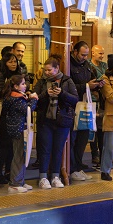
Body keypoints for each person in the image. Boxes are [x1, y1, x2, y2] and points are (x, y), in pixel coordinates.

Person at [33, 57, 78, 189]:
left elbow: (75, 99)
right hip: (45, 120)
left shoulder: (67, 81)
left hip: (62, 120)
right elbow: (35, 99)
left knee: (58, 149)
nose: (47, 73)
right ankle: (43, 177)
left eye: (49, 70)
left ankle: (55, 176)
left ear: (57, 68)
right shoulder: (41, 81)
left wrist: (62, 93)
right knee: (45, 149)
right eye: (45, 70)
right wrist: (46, 94)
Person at [69, 41, 101, 182]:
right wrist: (86, 86)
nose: (84, 57)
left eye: (86, 55)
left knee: (83, 138)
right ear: (75, 52)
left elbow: (91, 80)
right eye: (82, 55)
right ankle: (72, 168)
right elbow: (68, 87)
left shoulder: (87, 65)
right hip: (73, 106)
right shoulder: (68, 65)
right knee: (73, 140)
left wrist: (97, 85)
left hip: (85, 104)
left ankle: (78, 166)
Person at [1, 74, 38, 193]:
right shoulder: (16, 98)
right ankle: (15, 183)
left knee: (21, 155)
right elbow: (28, 109)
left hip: (16, 128)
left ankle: (20, 181)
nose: (25, 85)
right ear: (16, 86)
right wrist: (34, 99)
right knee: (19, 156)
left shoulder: (12, 96)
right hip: (19, 129)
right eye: (22, 84)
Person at [0, 52, 22, 184]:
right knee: (4, 143)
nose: (13, 64)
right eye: (10, 62)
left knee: (12, 145)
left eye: (15, 61)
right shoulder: (0, 75)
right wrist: (12, 91)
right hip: (3, 113)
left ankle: (9, 171)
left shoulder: (18, 75)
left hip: (14, 114)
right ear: (5, 63)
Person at [89, 45, 107, 168]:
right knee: (93, 128)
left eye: (102, 53)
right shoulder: (88, 65)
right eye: (100, 53)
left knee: (101, 129)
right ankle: (94, 153)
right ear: (93, 53)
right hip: (91, 99)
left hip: (103, 100)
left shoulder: (104, 65)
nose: (102, 56)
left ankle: (102, 154)